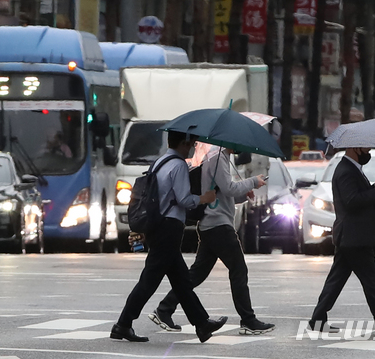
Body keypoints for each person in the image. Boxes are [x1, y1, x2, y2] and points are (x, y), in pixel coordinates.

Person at [110, 131, 227, 343]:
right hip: (169, 228)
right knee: (149, 281)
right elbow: (184, 199)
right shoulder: (179, 165)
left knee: (181, 280)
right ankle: (123, 324)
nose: (193, 147)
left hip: (158, 226)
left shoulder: (160, 162)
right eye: (191, 143)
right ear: (183, 142)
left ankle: (202, 324)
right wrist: (205, 198)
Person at [150, 146, 275, 335]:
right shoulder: (217, 158)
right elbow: (228, 187)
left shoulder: (219, 157)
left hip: (212, 223)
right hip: (218, 225)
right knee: (238, 269)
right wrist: (252, 182)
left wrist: (243, 194)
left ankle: (164, 309)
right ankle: (248, 320)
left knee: (195, 275)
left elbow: (221, 193)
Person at [308, 147, 375, 335]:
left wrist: (373, 188)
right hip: (354, 237)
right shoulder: (345, 170)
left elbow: (355, 195)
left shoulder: (351, 168)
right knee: (370, 281)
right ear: (355, 148)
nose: (368, 151)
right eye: (366, 148)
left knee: (336, 281)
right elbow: (351, 201)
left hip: (351, 236)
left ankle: (318, 319)